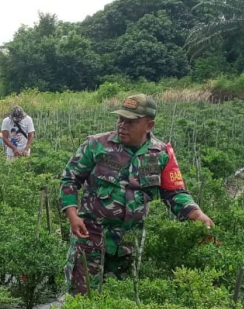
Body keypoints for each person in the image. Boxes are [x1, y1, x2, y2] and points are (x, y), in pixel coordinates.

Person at [60, 94, 214, 295]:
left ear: (149, 125)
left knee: (119, 301)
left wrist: (197, 214)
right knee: (81, 299)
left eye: (131, 121)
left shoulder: (161, 154)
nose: (122, 125)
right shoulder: (96, 145)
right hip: (91, 239)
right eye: (120, 119)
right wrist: (72, 215)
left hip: (128, 246)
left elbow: (175, 193)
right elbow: (70, 179)